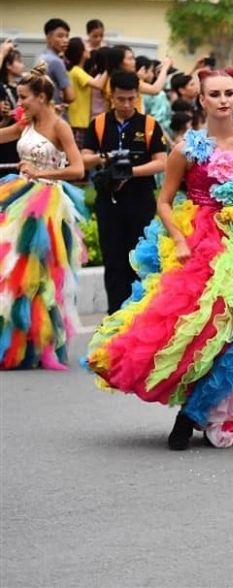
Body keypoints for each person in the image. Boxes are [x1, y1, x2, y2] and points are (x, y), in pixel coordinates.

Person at [86, 71, 233, 450]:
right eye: (215, 94)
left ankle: (194, 412)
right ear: (202, 101)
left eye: (229, 93)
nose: (223, 100)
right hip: (197, 241)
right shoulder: (187, 148)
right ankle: (184, 398)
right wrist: (178, 239)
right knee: (195, 327)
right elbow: (164, 201)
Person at [0, 63, 86, 369]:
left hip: (47, 203)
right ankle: (15, 342)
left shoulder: (60, 126)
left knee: (42, 276)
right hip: (18, 196)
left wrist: (41, 173)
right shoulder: (26, 121)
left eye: (24, 97)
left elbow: (78, 169)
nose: (20, 102)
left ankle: (39, 344)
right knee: (13, 271)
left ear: (41, 97)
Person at [80, 71, 169, 313]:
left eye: (131, 98)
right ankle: (115, 316)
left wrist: (130, 171)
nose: (127, 104)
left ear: (137, 95)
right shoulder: (99, 124)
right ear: (111, 96)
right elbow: (84, 158)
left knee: (139, 258)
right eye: (121, 99)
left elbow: (161, 162)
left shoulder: (149, 125)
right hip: (108, 201)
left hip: (140, 200)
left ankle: (139, 314)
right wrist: (104, 158)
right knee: (113, 260)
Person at [65, 37, 107, 151]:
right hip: (78, 121)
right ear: (81, 52)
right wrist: (109, 67)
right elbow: (99, 85)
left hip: (79, 120)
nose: (89, 49)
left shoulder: (78, 71)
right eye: (86, 47)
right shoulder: (77, 71)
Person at [35, 18, 74, 111]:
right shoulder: (56, 61)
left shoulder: (39, 57)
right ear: (48, 37)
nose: (65, 40)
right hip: (55, 111)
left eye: (67, 36)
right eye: (60, 36)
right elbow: (70, 97)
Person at [1, 41, 26, 166]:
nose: (23, 65)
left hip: (20, 140)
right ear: (8, 65)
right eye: (19, 61)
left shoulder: (20, 88)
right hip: (5, 142)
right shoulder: (2, 88)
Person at [138, 57, 171, 139]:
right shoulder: (158, 94)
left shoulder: (141, 90)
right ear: (143, 70)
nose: (152, 75)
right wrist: (165, 68)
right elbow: (158, 121)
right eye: (151, 71)